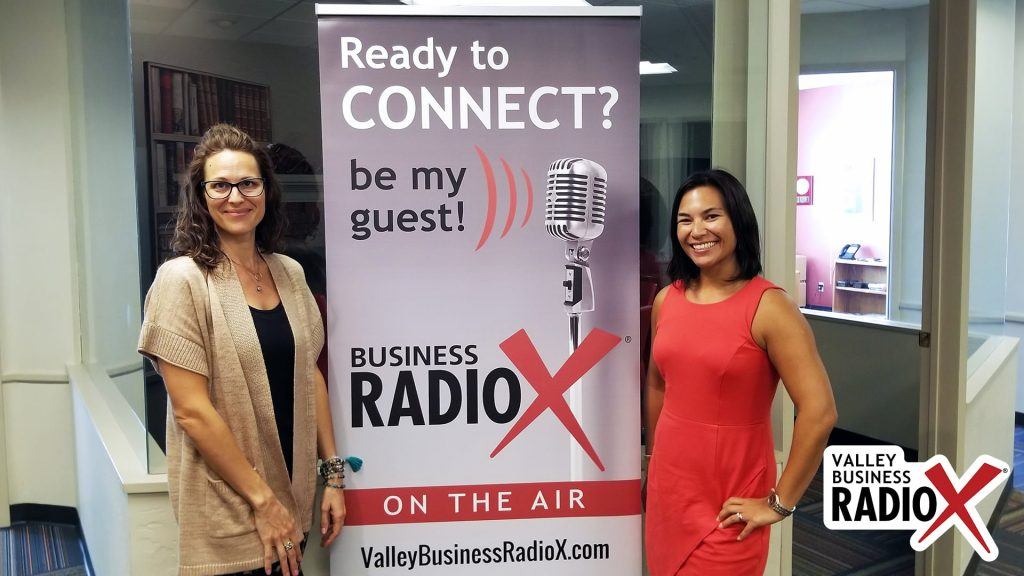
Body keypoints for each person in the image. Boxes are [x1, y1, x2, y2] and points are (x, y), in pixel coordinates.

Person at [138, 124, 346, 576]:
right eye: (220, 185)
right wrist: (263, 502)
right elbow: (191, 411)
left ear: (266, 192)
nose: (236, 197)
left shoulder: (289, 272)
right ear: (201, 195)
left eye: (248, 183)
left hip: (291, 499)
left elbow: (308, 375)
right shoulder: (182, 281)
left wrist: (333, 477)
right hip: (232, 504)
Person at [644, 169, 837, 575]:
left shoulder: (770, 306)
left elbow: (819, 412)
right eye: (685, 220)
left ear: (738, 221)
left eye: (711, 216)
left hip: (728, 506)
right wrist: (653, 461)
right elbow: (658, 384)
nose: (697, 230)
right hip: (669, 495)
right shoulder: (667, 299)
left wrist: (779, 503)